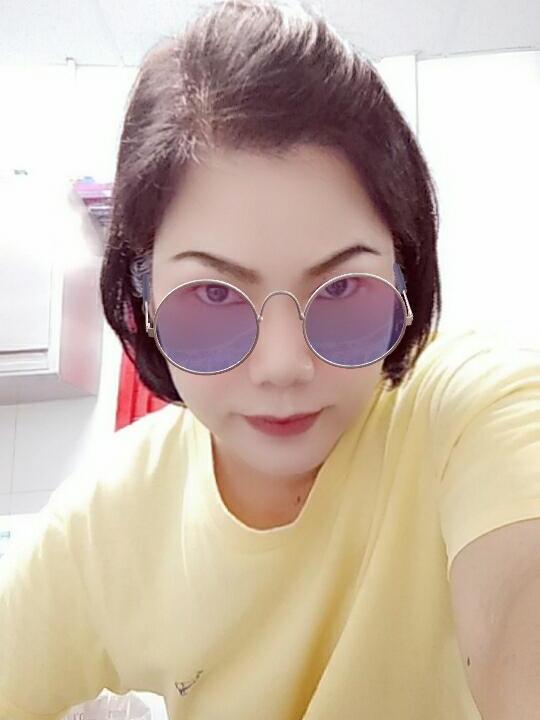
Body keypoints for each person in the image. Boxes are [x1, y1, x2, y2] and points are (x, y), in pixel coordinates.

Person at [1, 1, 539, 719]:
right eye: (213, 297)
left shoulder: (469, 412)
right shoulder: (104, 524)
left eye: (342, 289)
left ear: (405, 276)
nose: (283, 366)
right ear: (145, 301)